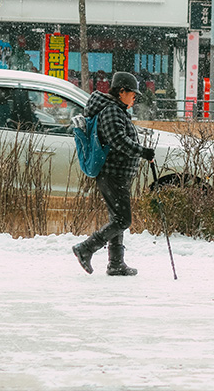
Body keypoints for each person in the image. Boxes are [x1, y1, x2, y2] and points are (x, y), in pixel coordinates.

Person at [72, 72, 155, 276]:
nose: (135, 97)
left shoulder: (117, 110)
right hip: (112, 174)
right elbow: (118, 141)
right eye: (132, 93)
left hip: (117, 174)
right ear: (121, 91)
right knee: (122, 220)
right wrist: (142, 151)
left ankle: (116, 263)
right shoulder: (111, 111)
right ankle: (86, 248)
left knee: (117, 218)